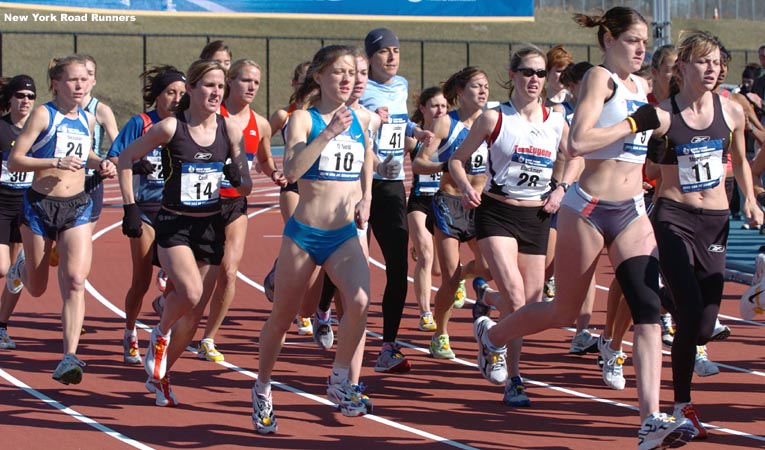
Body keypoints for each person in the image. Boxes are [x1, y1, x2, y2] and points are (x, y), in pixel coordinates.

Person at [470, 8, 696, 449]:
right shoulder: (599, 78)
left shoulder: (643, 86)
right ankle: (491, 335)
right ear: (608, 39)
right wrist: (633, 124)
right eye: (632, 40)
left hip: (632, 208)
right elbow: (577, 141)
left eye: (644, 41)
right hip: (589, 207)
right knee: (564, 313)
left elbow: (643, 147)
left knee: (648, 313)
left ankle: (649, 419)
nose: (640, 49)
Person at [252, 45, 374, 434]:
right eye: (338, 72)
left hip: (342, 234)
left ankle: (340, 380)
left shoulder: (360, 118)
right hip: (304, 234)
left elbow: (366, 159)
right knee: (283, 318)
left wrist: (366, 197)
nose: (347, 80)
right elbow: (290, 170)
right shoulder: (304, 119)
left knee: (359, 302)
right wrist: (328, 135)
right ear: (319, 76)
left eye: (352, 74)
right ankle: (263, 386)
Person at [117, 59, 252, 406]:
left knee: (192, 317)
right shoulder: (169, 128)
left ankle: (161, 376)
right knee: (190, 293)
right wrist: (130, 207)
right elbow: (125, 158)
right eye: (209, 85)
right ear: (191, 89)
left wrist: (239, 178)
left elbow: (247, 184)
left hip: (209, 225)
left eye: (220, 86)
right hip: (174, 224)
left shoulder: (229, 130)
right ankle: (159, 334)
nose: (216, 92)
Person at [649, 30, 763, 439]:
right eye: (703, 61)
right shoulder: (664, 115)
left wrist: (748, 198)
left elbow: (740, 158)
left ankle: (660, 298)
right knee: (691, 314)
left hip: (716, 221)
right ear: (682, 67)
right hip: (674, 217)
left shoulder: (731, 111)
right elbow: (649, 173)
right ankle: (682, 405)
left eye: (716, 62)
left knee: (701, 325)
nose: (712, 69)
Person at [450, 48, 575, 406]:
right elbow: (457, 161)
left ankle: (488, 313)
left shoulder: (556, 119)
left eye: (539, 72)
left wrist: (562, 187)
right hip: (497, 212)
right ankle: (515, 377)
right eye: (526, 72)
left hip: (537, 216)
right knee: (518, 299)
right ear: (513, 75)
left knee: (531, 305)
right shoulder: (494, 118)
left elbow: (574, 156)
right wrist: (465, 188)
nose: (534, 79)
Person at [6, 55, 117, 384]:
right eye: (72, 80)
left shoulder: (88, 118)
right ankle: (21, 268)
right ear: (56, 84)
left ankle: (69, 356)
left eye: (84, 79)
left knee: (75, 280)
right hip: (40, 206)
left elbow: (86, 156)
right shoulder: (44, 114)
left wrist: (100, 164)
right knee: (37, 288)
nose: (80, 85)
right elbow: (15, 160)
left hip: (77, 206)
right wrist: (53, 160)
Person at [197, 59, 284, 362]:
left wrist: (276, 174)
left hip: (235, 202)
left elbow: (264, 157)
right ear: (230, 81)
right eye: (245, 80)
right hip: (202, 204)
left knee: (229, 271)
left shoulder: (259, 124)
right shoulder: (210, 115)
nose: (251, 87)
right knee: (198, 277)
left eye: (256, 83)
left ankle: (208, 338)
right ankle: (175, 317)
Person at [107, 65, 187, 364]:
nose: (176, 99)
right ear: (158, 95)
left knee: (182, 283)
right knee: (141, 280)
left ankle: (163, 323)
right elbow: (115, 155)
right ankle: (130, 331)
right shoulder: (140, 122)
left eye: (181, 93)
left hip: (177, 210)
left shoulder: (185, 125)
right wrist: (136, 165)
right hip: (145, 208)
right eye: (170, 93)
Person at [413, 66, 492, 361]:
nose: (483, 91)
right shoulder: (447, 123)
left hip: (482, 205)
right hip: (450, 203)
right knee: (448, 276)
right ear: (460, 92)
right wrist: (445, 166)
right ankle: (440, 335)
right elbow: (420, 163)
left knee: (490, 269)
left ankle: (464, 277)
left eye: (485, 86)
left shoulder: (493, 122)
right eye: (476, 86)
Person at [360, 27, 412, 373]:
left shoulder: (402, 86)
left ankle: (388, 345)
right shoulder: (361, 90)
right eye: (383, 52)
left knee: (399, 266)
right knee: (350, 262)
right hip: (360, 185)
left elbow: (401, 127)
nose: (391, 57)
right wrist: (374, 158)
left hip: (392, 185)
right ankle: (321, 308)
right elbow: (358, 133)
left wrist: (415, 134)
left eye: (395, 50)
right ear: (370, 58)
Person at [265, 60, 318, 336]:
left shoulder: (321, 116)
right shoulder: (285, 116)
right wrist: (272, 169)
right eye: (304, 81)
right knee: (301, 245)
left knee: (311, 252)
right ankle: (300, 312)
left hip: (319, 188)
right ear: (295, 84)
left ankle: (279, 272)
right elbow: (262, 138)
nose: (310, 87)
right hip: (293, 186)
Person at [0, 75, 37, 350]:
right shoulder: (1, 128)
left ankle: (2, 326)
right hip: (1, 203)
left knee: (16, 272)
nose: (25, 101)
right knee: (2, 268)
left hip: (26, 205)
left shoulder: (38, 130)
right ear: (10, 98)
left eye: (30, 96)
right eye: (21, 95)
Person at [406, 86, 446, 333]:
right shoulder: (414, 137)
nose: (440, 110)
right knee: (426, 256)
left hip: (444, 201)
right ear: (423, 108)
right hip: (420, 200)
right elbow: (392, 150)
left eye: (443, 106)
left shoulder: (452, 132)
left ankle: (419, 243)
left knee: (439, 269)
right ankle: (425, 313)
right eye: (434, 105)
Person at [80, 55, 119, 230]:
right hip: (62, 178)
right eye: (80, 74)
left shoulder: (101, 110)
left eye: (89, 74)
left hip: (91, 179)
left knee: (82, 243)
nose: (84, 79)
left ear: (94, 80)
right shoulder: (55, 110)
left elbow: (118, 145)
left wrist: (108, 164)